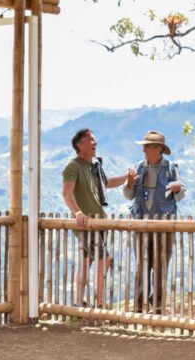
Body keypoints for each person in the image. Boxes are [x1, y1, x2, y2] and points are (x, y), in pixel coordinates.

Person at [62, 129, 129, 307]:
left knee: (87, 260)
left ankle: (78, 302)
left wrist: (127, 178)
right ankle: (100, 303)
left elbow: (108, 184)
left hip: (98, 221)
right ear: (79, 145)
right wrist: (78, 213)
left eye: (95, 139)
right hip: (86, 223)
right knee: (104, 259)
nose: (95, 142)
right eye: (90, 139)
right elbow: (67, 192)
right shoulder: (73, 166)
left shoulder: (95, 166)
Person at [123, 130, 186, 313]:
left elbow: (181, 194)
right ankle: (139, 304)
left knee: (160, 266)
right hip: (141, 225)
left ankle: (157, 304)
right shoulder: (137, 168)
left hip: (163, 226)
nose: (144, 151)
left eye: (147, 147)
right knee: (142, 266)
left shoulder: (171, 168)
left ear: (158, 149)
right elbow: (128, 195)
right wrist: (129, 184)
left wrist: (176, 189)